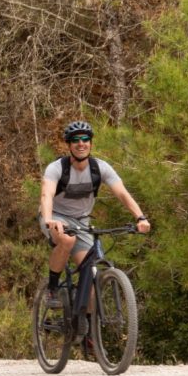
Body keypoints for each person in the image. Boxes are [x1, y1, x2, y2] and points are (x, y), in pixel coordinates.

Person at [39, 121, 150, 307]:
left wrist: (140, 217)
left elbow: (122, 193)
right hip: (55, 216)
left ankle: (86, 332)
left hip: (82, 221)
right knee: (66, 240)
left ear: (90, 143)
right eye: (76, 140)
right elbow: (46, 194)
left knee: (91, 277)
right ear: (69, 144)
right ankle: (52, 288)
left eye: (85, 139)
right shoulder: (57, 168)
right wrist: (49, 219)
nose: (81, 143)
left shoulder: (99, 168)